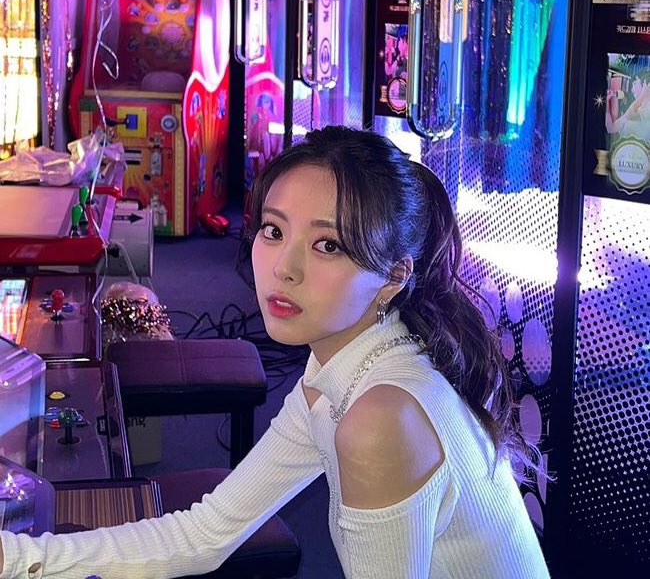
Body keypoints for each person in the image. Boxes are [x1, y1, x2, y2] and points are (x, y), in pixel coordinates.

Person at [0, 126, 550, 579]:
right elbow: (206, 533)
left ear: (392, 278)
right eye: (272, 230)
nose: (284, 268)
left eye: (327, 244)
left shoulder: (381, 415)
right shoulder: (342, 365)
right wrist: (19, 559)